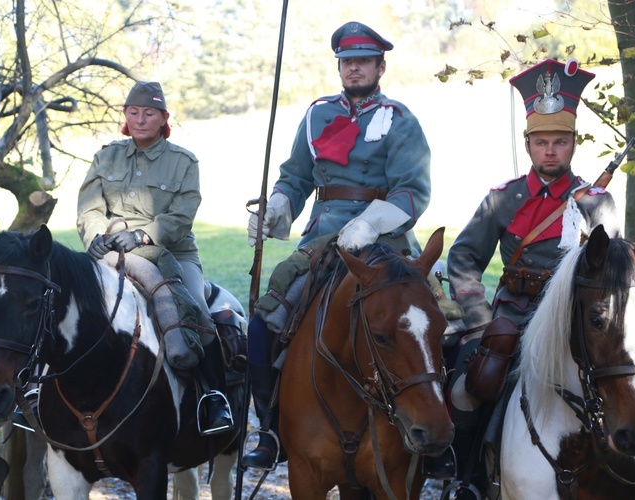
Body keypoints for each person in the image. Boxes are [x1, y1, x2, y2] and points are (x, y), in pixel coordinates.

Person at [242, 21, 432, 469]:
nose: (354, 69)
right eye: (347, 63)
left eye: (363, 62)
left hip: (385, 237)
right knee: (263, 322)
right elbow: (296, 178)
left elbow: (412, 190)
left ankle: (440, 440)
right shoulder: (316, 115)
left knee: (438, 324)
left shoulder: (401, 121)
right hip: (322, 237)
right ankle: (272, 429)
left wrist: (370, 224)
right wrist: (276, 209)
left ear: (380, 66)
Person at [437, 59, 620, 498]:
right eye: (542, 142)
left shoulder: (596, 202)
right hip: (511, 315)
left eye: (560, 142)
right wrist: (480, 317)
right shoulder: (503, 198)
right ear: (529, 143)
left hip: (570, 318)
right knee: (469, 383)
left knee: (621, 380)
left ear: (573, 144)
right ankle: (468, 478)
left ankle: (632, 466)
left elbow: (609, 272)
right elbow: (463, 257)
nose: (551, 151)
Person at [76, 81, 233, 435]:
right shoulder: (106, 156)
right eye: (134, 112)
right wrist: (97, 238)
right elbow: (89, 206)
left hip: (171, 253)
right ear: (125, 116)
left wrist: (142, 235)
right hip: (111, 250)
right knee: (65, 304)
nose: (140, 119)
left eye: (149, 113)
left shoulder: (183, 162)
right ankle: (39, 391)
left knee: (196, 310)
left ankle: (214, 397)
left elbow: (181, 217)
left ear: (163, 118)